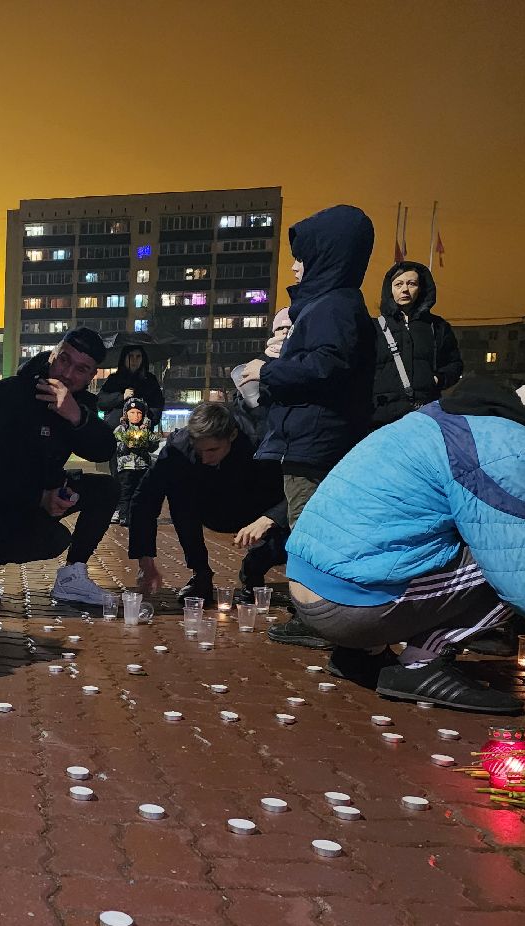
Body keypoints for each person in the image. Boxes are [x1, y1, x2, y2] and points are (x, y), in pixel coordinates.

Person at [284, 373, 525, 713]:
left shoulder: (446, 415)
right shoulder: (512, 449)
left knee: (497, 542)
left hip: (310, 585)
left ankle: (364, 653)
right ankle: (421, 664)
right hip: (351, 605)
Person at [248, 204, 376, 648]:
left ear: (327, 254)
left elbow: (326, 365)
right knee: (313, 528)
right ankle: (325, 614)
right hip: (313, 436)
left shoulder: (332, 306)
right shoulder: (333, 304)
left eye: (302, 256)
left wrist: (267, 371)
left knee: (310, 533)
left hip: (313, 440)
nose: (294, 265)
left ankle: (321, 618)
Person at [0, 328, 121, 607]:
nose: (68, 374)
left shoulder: (78, 403)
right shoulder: (12, 392)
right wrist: (39, 497)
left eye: (81, 369)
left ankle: (72, 577)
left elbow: (104, 449)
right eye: (64, 360)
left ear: (91, 376)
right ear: (53, 355)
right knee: (52, 540)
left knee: (106, 489)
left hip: (38, 491)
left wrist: (75, 417)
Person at [129, 401, 287, 606]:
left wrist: (270, 519)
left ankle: (256, 564)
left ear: (232, 436)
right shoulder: (179, 446)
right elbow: (144, 500)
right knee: (178, 491)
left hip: (256, 505)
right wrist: (145, 561)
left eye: (212, 450)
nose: (205, 458)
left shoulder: (260, 442)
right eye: (199, 450)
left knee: (293, 522)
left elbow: (295, 494)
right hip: (210, 507)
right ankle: (200, 573)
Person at [372, 260, 463, 429]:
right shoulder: (374, 327)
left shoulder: (437, 326)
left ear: (421, 288)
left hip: (425, 415)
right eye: (398, 284)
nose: (405, 289)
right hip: (381, 417)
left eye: (411, 283)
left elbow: (454, 364)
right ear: (390, 289)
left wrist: (437, 379)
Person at [231, 306, 292, 437]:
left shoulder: (300, 360)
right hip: (264, 433)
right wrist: (245, 399)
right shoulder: (260, 361)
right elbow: (240, 402)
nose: (285, 331)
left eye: (290, 327)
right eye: (280, 328)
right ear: (274, 331)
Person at [111, 397, 159, 525]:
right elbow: (115, 446)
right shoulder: (121, 430)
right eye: (132, 412)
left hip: (142, 466)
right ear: (126, 414)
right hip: (126, 466)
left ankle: (138, 515)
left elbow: (154, 445)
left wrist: (147, 444)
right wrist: (126, 445)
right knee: (125, 492)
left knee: (140, 492)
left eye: (139, 413)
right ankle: (124, 516)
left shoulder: (146, 430)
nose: (136, 416)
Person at [96, 346, 165, 427]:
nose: (134, 360)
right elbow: (101, 402)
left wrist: (149, 421)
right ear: (124, 358)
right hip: (116, 431)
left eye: (138, 356)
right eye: (131, 356)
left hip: (142, 434)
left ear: (143, 359)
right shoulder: (114, 380)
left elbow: (157, 405)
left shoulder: (150, 380)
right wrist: (121, 397)